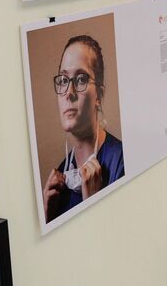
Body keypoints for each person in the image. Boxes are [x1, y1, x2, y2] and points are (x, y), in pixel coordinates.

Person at [43, 35, 124, 223]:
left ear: (99, 95)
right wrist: (47, 215)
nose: (69, 93)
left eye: (80, 79)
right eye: (63, 80)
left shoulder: (121, 163)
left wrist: (94, 204)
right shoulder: (60, 178)